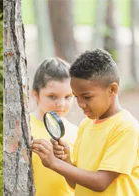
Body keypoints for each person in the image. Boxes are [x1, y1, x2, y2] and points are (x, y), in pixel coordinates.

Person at [32, 49, 139, 195]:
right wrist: (65, 160)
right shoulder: (85, 125)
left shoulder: (125, 127)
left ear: (112, 89)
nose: (80, 104)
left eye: (87, 97)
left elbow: (101, 182)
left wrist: (54, 163)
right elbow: (75, 183)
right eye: (76, 97)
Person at [29, 58, 78, 196]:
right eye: (52, 96)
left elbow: (79, 182)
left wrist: (66, 160)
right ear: (35, 95)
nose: (61, 104)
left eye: (68, 97)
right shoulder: (25, 127)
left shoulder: (77, 132)